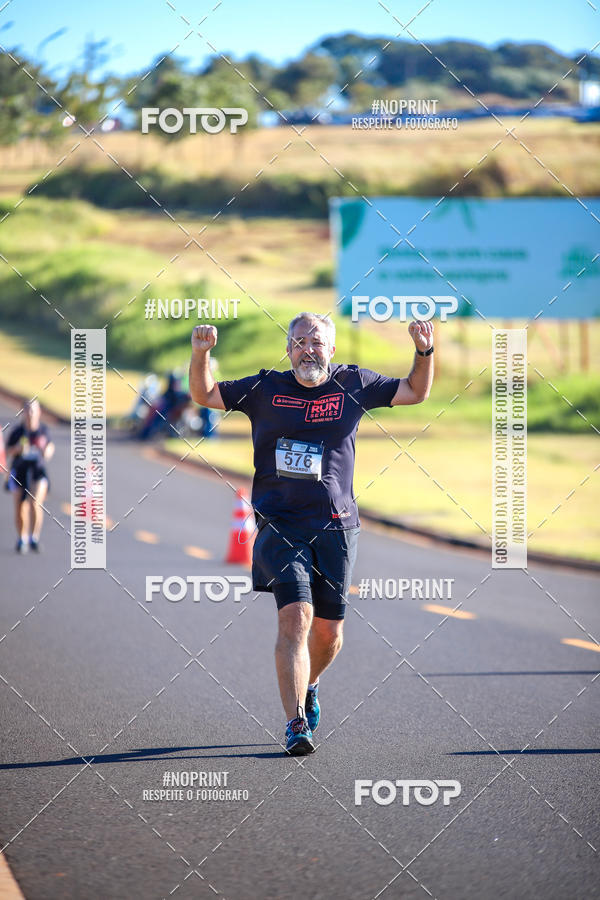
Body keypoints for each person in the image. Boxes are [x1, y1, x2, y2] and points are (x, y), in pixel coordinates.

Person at [189, 312, 433, 755]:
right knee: (295, 616)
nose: (308, 349)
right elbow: (204, 393)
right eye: (299, 341)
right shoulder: (265, 389)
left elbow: (416, 391)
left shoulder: (352, 383)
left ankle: (312, 682)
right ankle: (295, 723)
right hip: (280, 524)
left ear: (332, 350)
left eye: (316, 342)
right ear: (288, 349)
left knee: (328, 634)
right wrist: (201, 353)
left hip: (337, 526)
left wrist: (423, 351)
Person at [5, 399, 55, 553]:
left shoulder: (43, 431)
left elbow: (50, 446)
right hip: (19, 471)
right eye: (27, 410)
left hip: (37, 472)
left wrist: (47, 451)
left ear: (39, 412)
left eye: (33, 410)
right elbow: (6, 452)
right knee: (21, 506)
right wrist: (17, 449)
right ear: (22, 412)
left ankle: (34, 537)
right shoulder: (17, 432)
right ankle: (22, 538)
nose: (30, 413)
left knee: (35, 503)